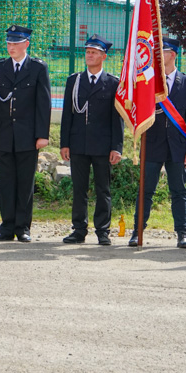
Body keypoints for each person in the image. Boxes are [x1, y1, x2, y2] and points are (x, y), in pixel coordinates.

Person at [127, 37, 186, 248]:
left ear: (173, 55)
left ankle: (182, 233)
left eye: (163, 52)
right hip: (152, 143)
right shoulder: (148, 81)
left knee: (179, 191)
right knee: (145, 190)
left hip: (178, 146)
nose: (157, 56)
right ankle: (137, 231)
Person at [0, 25, 51, 243]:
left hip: (27, 136)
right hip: (3, 135)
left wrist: (42, 135)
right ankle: (6, 226)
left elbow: (43, 104)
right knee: (5, 182)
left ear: (26, 44)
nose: (11, 47)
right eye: (9, 43)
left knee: (24, 183)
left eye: (15, 43)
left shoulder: (38, 68)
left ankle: (22, 227)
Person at [59, 34, 123, 246]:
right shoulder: (74, 81)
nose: (89, 55)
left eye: (94, 52)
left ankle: (103, 230)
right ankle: (78, 229)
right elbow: (67, 115)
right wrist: (65, 143)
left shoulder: (112, 83)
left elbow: (117, 119)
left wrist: (116, 147)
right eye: (87, 52)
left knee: (102, 189)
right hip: (78, 144)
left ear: (103, 56)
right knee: (79, 188)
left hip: (102, 146)